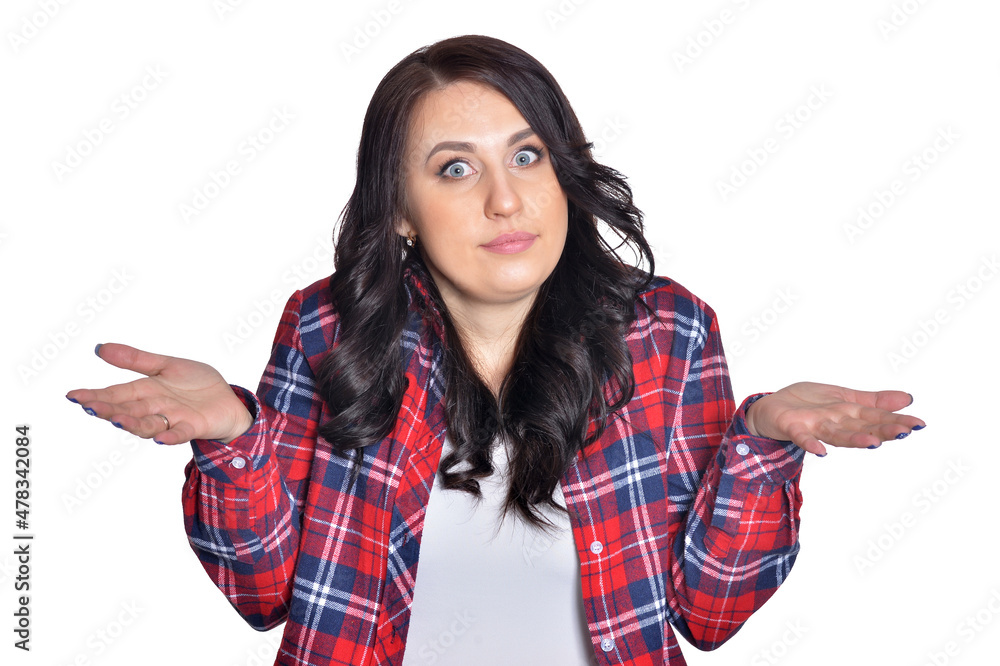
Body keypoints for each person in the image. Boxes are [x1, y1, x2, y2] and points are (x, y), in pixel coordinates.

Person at [66, 35, 924, 666]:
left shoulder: (668, 332)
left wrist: (763, 447)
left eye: (527, 155)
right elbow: (264, 598)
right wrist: (230, 441)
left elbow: (709, 614)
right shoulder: (327, 329)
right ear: (398, 208)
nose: (507, 200)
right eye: (454, 169)